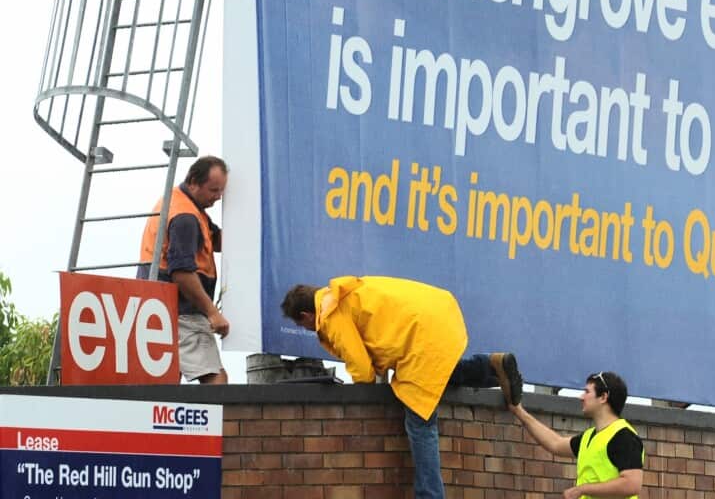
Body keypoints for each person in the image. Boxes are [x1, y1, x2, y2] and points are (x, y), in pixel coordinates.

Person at [280, 277, 523, 499]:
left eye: (302, 325)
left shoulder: (331, 313)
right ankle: (492, 366)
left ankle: (430, 495)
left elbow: (362, 368)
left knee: (419, 422)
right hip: (441, 314)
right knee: (439, 372)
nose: (307, 330)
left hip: (419, 336)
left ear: (306, 315)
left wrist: (361, 393)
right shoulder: (344, 293)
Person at [139, 155, 229, 384]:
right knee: (216, 378)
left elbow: (213, 239)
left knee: (169, 381)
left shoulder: (182, 203)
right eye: (213, 190)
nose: (217, 198)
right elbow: (181, 273)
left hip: (159, 306)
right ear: (193, 182)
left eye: (221, 191)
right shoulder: (185, 217)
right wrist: (212, 312)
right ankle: (217, 420)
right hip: (181, 311)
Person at [509, 371, 644, 499]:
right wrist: (519, 411)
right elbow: (555, 443)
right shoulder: (589, 437)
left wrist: (582, 489)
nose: (581, 397)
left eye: (587, 392)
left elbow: (631, 484)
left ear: (603, 397)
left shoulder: (624, 437)